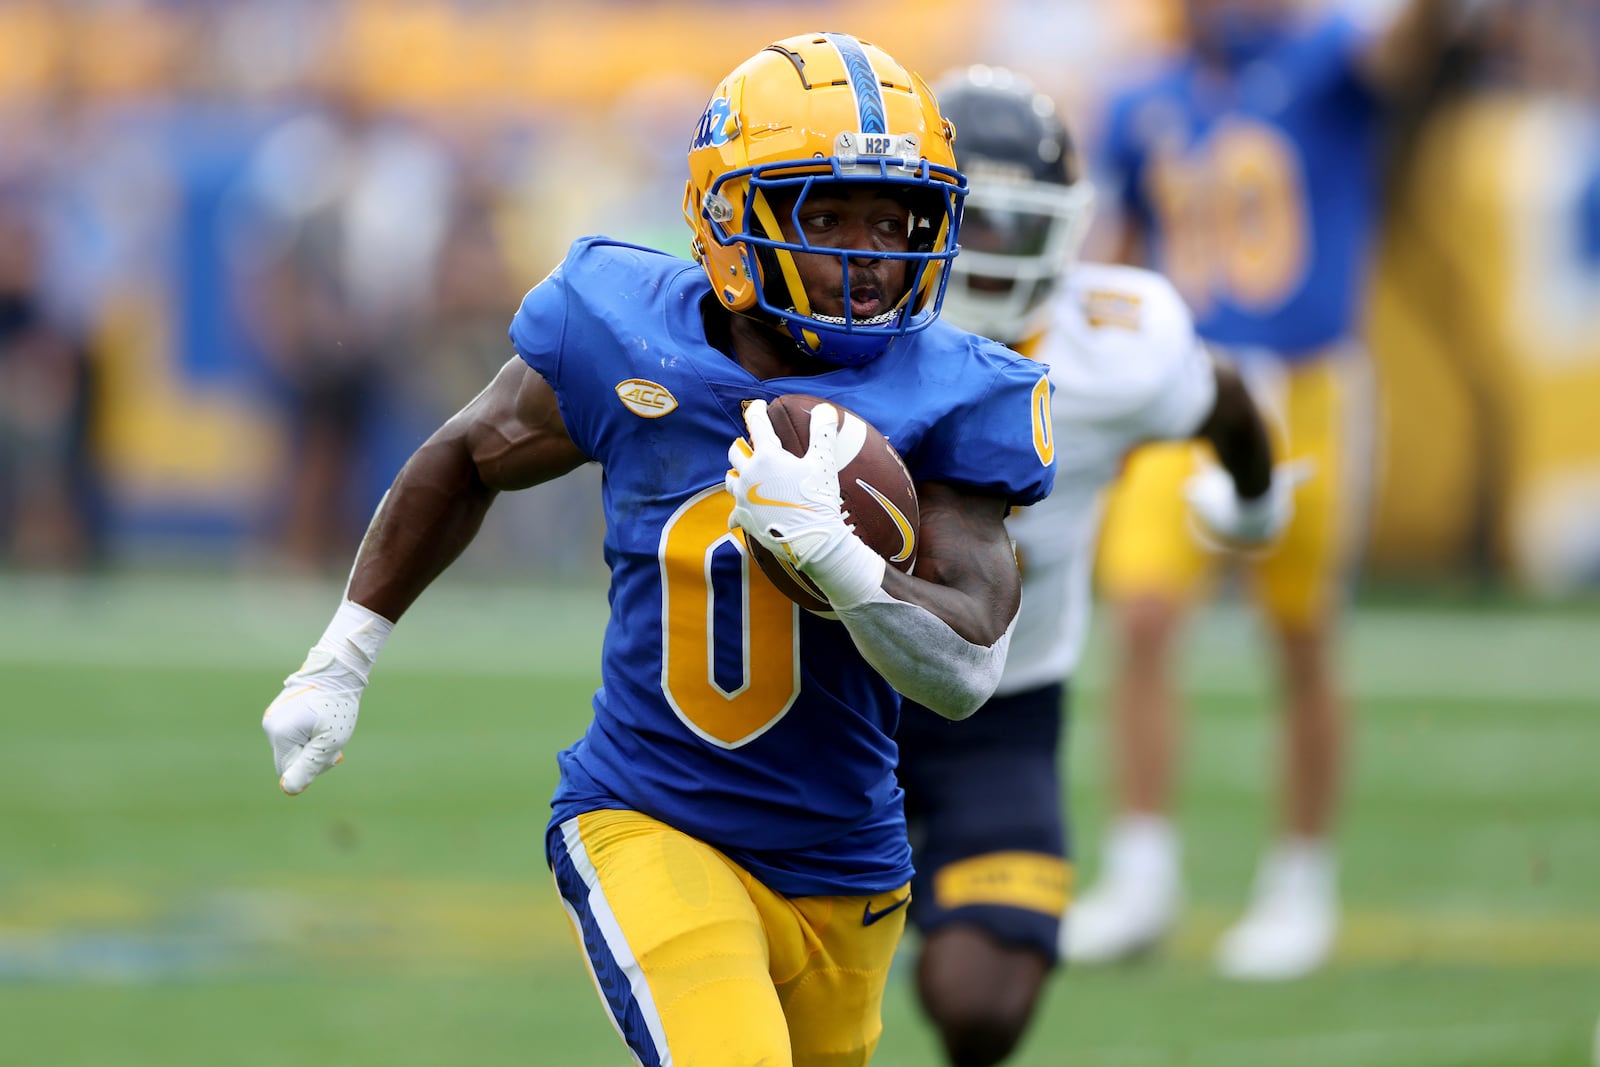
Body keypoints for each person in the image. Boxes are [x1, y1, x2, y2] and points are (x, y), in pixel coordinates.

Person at [259, 32, 1056, 1067]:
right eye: (831, 216)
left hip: (848, 863)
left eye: (895, 219)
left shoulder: (954, 388)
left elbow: (966, 671)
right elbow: (465, 454)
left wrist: (841, 562)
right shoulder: (626, 333)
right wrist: (344, 652)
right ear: (733, 219)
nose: (873, 255)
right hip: (651, 818)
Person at [894, 67, 1296, 1067]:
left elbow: (1230, 402)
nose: (988, 250)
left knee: (981, 1006)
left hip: (1001, 704)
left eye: (1013, 224)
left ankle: (913, 896)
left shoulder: (1121, 347)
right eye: (969, 220)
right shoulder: (841, 323)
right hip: (823, 698)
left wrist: (1253, 503)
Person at [1070, 0, 1475, 980]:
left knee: (1299, 633)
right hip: (1187, 384)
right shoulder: (1142, 93)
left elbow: (1407, 50)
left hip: (1310, 390)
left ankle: (1299, 884)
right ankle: (1141, 873)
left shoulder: (1325, 58)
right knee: (1145, 611)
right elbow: (1116, 251)